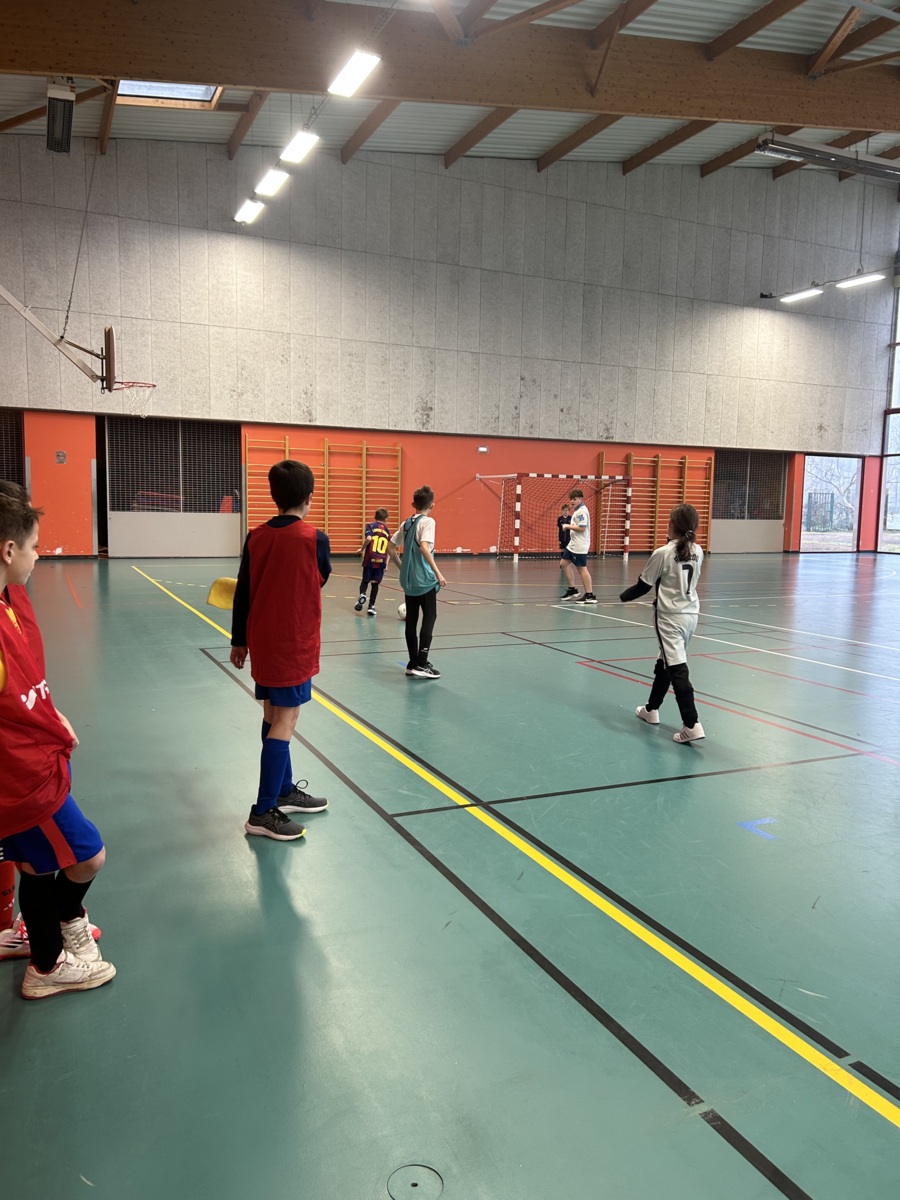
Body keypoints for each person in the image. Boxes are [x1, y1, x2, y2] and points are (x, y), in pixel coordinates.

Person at [0, 491, 115, 998]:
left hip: (25, 767)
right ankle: (49, 964)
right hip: (22, 780)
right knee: (88, 856)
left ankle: (44, 943)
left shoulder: (8, 605)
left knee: (37, 865)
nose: (38, 556)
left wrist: (49, 713)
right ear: (9, 551)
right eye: (34, 547)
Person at [231, 460, 332, 841]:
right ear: (309, 497)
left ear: (274, 496)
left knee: (273, 714)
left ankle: (284, 790)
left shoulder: (255, 537)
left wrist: (238, 639)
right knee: (286, 720)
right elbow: (321, 577)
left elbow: (242, 590)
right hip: (293, 644)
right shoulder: (315, 539)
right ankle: (262, 812)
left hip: (263, 641)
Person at [620, 503, 705, 744]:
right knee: (665, 661)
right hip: (691, 615)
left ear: (672, 525)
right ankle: (651, 709)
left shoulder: (663, 553)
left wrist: (621, 597)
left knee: (677, 667)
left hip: (669, 618)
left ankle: (691, 724)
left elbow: (643, 586)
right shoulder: (698, 550)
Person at [387, 485, 446, 680]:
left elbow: (390, 547)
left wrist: (403, 567)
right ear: (432, 505)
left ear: (413, 504)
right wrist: (438, 573)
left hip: (409, 580)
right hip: (424, 580)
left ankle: (413, 663)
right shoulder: (428, 522)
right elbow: (424, 547)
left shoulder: (406, 523)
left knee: (411, 621)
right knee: (430, 616)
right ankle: (422, 662)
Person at [560, 488, 597, 604]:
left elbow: (582, 528)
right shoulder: (577, 510)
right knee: (563, 564)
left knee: (581, 568)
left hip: (580, 545)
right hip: (573, 544)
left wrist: (567, 526)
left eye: (574, 499)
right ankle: (572, 590)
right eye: (571, 499)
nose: (572, 501)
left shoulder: (582, 512)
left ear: (581, 499)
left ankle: (590, 595)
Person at [354, 507, 391, 617]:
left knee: (365, 581)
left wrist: (362, 549)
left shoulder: (370, 526)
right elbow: (390, 548)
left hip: (370, 559)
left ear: (374, 517)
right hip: (381, 560)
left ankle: (362, 594)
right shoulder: (387, 531)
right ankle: (371, 606)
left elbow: (369, 538)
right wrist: (386, 563)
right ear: (386, 519)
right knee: (375, 583)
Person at [557, 502, 571, 591]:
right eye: (564, 510)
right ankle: (562, 563)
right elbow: (558, 528)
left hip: (569, 537)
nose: (565, 512)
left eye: (566, 510)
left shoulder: (571, 518)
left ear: (569, 511)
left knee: (567, 549)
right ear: (561, 511)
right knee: (562, 549)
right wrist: (557, 536)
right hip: (562, 537)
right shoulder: (560, 519)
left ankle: (567, 563)